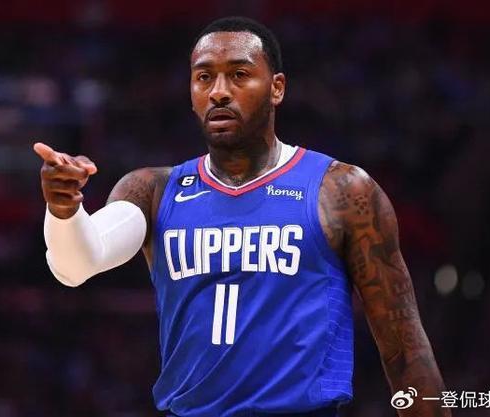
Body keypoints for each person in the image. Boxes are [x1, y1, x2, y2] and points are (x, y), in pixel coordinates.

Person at [34, 16, 449, 417]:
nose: (218, 92)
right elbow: (77, 265)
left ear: (277, 88)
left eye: (238, 75)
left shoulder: (341, 190)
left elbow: (405, 349)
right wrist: (64, 210)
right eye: (204, 77)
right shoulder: (152, 191)